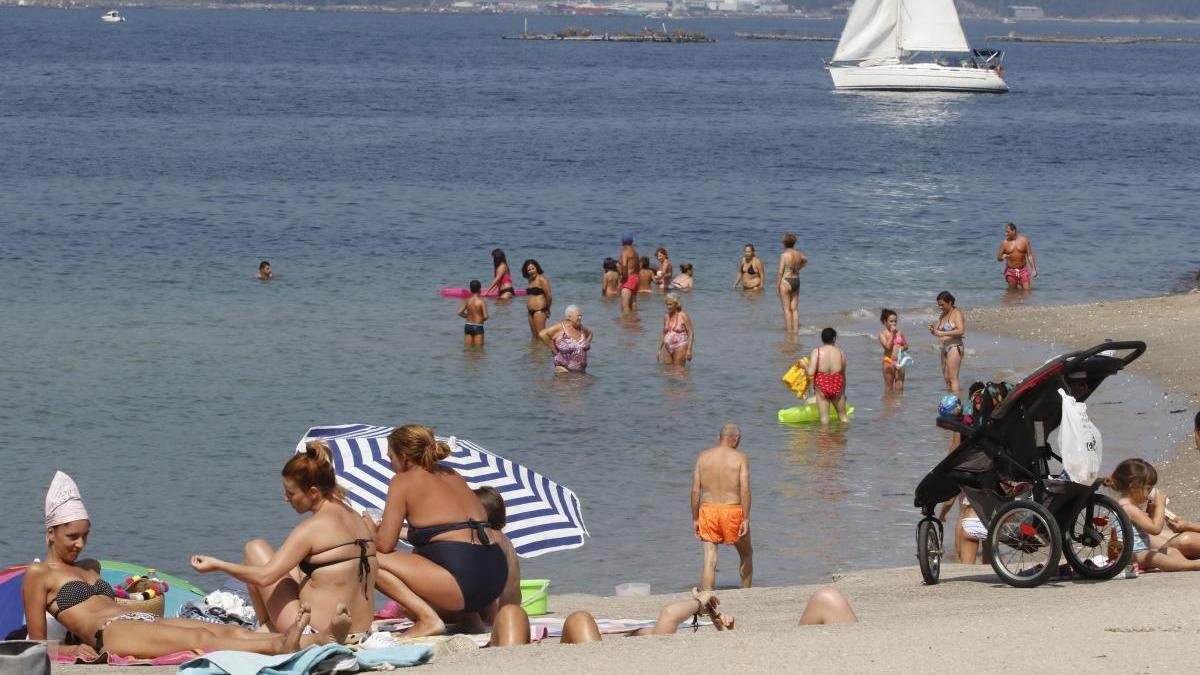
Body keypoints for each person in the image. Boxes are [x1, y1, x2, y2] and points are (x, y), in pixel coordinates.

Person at [23, 472, 308, 659]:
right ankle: (280, 646)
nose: (80, 544)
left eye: (85, 536)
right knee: (199, 637)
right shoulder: (39, 574)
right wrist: (71, 650)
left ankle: (313, 641)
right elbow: (35, 648)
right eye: (72, 537)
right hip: (109, 633)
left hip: (139, 621)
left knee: (218, 629)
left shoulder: (90, 566)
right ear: (51, 533)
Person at [191, 442, 379, 642]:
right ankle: (270, 626)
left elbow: (264, 577)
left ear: (313, 492)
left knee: (254, 548)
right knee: (296, 564)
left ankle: (268, 627)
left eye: (291, 493)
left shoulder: (312, 528)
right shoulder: (356, 518)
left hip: (315, 632)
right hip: (361, 630)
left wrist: (218, 565)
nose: (286, 499)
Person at [369, 425, 508, 636]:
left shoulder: (402, 481)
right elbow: (448, 529)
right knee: (436, 553)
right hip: (495, 577)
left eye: (391, 457)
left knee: (368, 558)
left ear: (404, 457)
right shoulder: (452, 474)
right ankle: (471, 621)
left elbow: (384, 546)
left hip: (464, 581)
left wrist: (369, 529)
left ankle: (428, 620)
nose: (390, 464)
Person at [557, 586, 856, 644]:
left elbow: (669, 619)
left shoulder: (661, 640)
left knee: (828, 597)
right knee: (828, 598)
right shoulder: (661, 639)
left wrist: (724, 634)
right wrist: (699, 603)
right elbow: (669, 615)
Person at [1107, 458, 1200, 572]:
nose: (1149, 493)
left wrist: (1151, 510)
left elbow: (1146, 525)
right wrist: (1160, 506)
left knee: (1172, 551)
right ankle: (1191, 565)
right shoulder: (1128, 508)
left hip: (1140, 552)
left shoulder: (1131, 506)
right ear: (1133, 487)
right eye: (1148, 488)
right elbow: (1155, 529)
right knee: (1155, 557)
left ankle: (1185, 564)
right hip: (1127, 555)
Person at [691, 424, 751, 590]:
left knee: (709, 559)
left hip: (708, 510)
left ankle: (706, 599)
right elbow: (745, 489)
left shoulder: (703, 457)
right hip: (732, 510)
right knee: (746, 555)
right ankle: (746, 593)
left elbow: (696, 490)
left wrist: (695, 518)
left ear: (719, 438)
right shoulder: (740, 458)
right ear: (737, 440)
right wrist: (745, 518)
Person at [472, 487, 521, 611]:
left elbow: (492, 581)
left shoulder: (489, 537)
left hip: (496, 610)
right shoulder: (505, 540)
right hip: (513, 606)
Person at [806, 328, 849, 425]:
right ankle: (843, 438)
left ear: (822, 339)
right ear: (834, 339)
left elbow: (810, 373)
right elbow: (843, 374)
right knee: (843, 417)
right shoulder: (840, 353)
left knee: (824, 419)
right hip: (837, 385)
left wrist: (805, 366)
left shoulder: (816, 352)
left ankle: (825, 439)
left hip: (822, 385)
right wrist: (844, 392)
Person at [929, 291, 966, 395]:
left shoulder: (956, 313)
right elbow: (937, 331)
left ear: (950, 302)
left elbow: (961, 330)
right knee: (946, 377)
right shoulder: (942, 315)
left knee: (953, 377)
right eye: (939, 305)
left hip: (955, 346)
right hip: (944, 347)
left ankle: (956, 401)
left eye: (942, 305)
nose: (940, 307)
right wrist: (933, 330)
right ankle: (950, 400)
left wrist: (942, 333)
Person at [538, 305, 592, 373]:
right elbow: (542, 334)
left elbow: (590, 334)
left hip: (581, 372)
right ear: (569, 317)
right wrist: (554, 350)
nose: (580, 318)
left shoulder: (581, 328)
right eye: (578, 316)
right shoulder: (561, 328)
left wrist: (584, 346)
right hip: (563, 371)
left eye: (581, 316)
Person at [776, 233, 807, 333]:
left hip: (786, 281)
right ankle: (796, 331)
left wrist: (777, 286)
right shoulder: (799, 254)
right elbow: (805, 260)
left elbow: (780, 272)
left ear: (784, 243)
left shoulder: (784, 255)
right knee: (795, 309)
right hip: (796, 281)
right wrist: (799, 269)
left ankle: (789, 332)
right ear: (794, 243)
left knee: (786, 309)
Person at [997, 223, 1037, 291]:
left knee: (1027, 291)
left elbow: (1029, 255)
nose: (1005, 234)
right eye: (1005, 232)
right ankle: (1016, 302)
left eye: (1007, 232)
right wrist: (1002, 257)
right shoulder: (1004, 243)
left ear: (1014, 231)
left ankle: (1024, 302)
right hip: (1011, 271)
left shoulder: (1024, 240)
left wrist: (1034, 269)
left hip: (1023, 270)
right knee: (1012, 292)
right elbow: (998, 258)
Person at [656, 292, 693, 367]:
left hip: (680, 346)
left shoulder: (683, 315)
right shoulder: (666, 316)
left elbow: (691, 333)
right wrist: (659, 349)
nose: (668, 307)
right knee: (667, 371)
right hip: (668, 347)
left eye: (670, 304)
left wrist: (689, 350)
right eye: (667, 304)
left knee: (678, 372)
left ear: (676, 304)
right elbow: (664, 333)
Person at [877, 309, 908, 392]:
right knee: (889, 386)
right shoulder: (882, 334)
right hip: (888, 362)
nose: (894, 323)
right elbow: (887, 347)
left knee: (899, 385)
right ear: (885, 321)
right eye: (891, 321)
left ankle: (898, 404)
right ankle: (889, 403)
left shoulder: (899, 333)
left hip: (899, 361)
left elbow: (906, 346)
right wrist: (892, 333)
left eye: (895, 321)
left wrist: (901, 348)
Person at [522, 259, 552, 338]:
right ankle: (535, 350)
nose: (531, 271)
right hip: (530, 312)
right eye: (529, 269)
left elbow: (549, 296)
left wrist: (547, 309)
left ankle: (543, 350)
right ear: (526, 271)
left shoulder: (542, 279)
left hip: (539, 311)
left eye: (533, 268)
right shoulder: (530, 280)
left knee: (541, 337)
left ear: (537, 268)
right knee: (534, 337)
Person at [457, 280, 488, 347]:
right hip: (478, 326)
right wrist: (480, 319)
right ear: (480, 289)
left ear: (470, 290)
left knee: (468, 349)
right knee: (479, 350)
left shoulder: (467, 300)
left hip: (468, 326)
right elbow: (486, 316)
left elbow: (459, 312)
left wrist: (468, 316)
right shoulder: (481, 302)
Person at [618, 232, 640, 313]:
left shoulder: (625, 251)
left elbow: (624, 265)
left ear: (623, 241)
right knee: (633, 304)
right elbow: (638, 267)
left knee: (625, 307)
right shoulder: (636, 253)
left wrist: (623, 277)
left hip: (628, 279)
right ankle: (634, 321)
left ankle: (626, 324)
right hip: (636, 278)